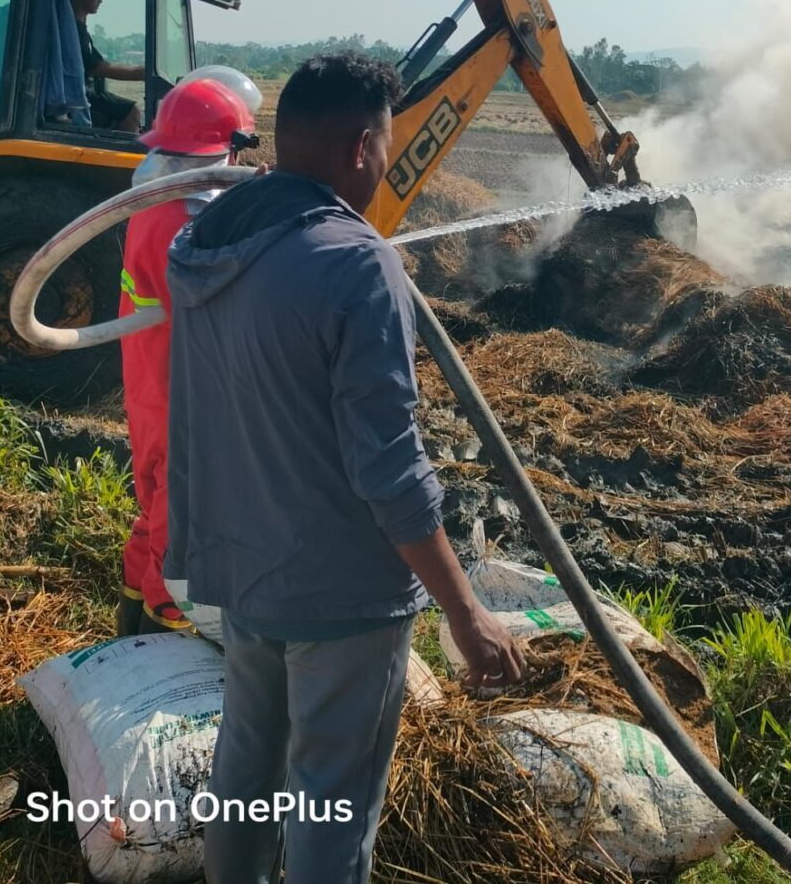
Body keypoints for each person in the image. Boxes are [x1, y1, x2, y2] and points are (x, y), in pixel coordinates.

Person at [163, 53, 525, 884]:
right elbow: (390, 466)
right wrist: (465, 613)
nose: (390, 161)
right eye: (389, 146)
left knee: (245, 774)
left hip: (244, 568)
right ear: (363, 146)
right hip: (342, 593)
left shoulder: (207, 243)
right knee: (331, 800)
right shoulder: (357, 262)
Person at [117, 77, 258, 638]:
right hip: (187, 391)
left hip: (151, 381)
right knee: (181, 517)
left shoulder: (151, 201)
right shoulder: (187, 222)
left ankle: (130, 614)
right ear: (228, 147)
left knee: (155, 502)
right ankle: (162, 624)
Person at [71, 0, 143, 132]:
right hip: (78, 93)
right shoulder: (72, 29)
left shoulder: (81, 30)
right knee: (132, 112)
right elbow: (97, 68)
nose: (100, 0)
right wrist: (140, 73)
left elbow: (101, 63)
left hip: (84, 91)